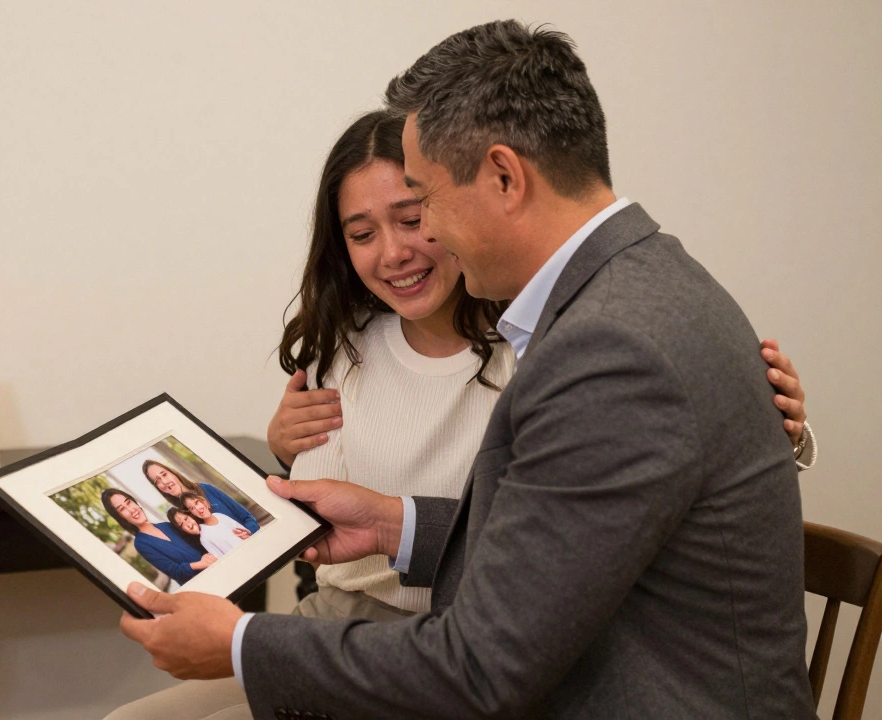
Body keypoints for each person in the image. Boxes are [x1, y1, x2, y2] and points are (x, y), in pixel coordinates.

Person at [118, 20, 817, 719]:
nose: (426, 239)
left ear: (505, 178)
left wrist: (242, 641)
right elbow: (561, 538)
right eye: (366, 231)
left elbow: (480, 667)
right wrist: (397, 526)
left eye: (425, 202)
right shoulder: (653, 281)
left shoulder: (608, 350)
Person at [100, 488, 216, 586]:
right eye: (122, 509)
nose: (131, 509)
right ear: (120, 517)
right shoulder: (141, 544)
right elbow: (174, 571)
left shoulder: (167, 525)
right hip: (200, 585)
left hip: (215, 568)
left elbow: (199, 543)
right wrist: (201, 563)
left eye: (128, 502)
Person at [143, 460, 260, 534]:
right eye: (157, 481)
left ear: (172, 473)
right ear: (158, 487)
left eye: (164, 474)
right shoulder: (180, 517)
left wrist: (248, 532)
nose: (164, 481)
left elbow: (247, 517)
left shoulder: (206, 488)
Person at [181, 492, 251, 556]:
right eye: (192, 508)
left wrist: (246, 535)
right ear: (192, 514)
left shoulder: (220, 516)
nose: (198, 509)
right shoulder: (205, 538)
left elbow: (246, 533)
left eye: (197, 503)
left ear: (204, 502)